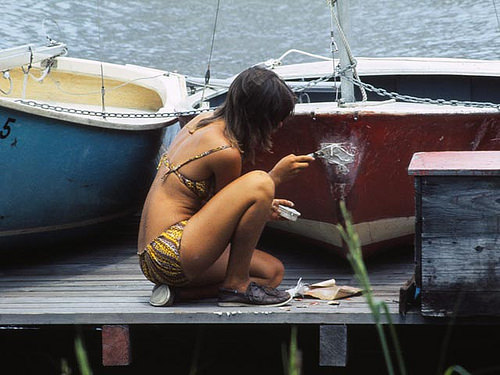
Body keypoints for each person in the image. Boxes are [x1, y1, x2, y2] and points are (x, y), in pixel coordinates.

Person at [137, 66, 314, 307]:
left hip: (152, 257)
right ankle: (236, 288)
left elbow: (219, 208)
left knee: (272, 274)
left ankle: (177, 295)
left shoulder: (200, 122)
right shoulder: (225, 151)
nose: (280, 125)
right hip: (170, 252)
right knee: (260, 181)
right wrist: (274, 178)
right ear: (257, 115)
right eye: (276, 119)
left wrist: (264, 208)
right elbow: (230, 221)